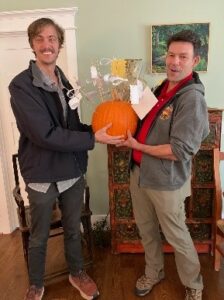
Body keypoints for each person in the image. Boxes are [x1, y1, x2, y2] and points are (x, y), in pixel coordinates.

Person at [9, 18, 124, 300]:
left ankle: (77, 272)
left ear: (59, 44)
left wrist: (96, 130)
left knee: (73, 229)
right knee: (39, 236)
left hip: (71, 171)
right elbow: (44, 134)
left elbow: (71, 125)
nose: (46, 44)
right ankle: (36, 283)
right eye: (40, 38)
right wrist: (93, 139)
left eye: (52, 39)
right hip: (41, 174)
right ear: (32, 44)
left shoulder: (64, 79)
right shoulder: (21, 86)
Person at [117, 30, 209, 300]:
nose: (175, 61)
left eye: (183, 56)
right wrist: (124, 97)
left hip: (166, 181)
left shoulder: (191, 99)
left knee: (177, 237)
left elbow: (178, 151)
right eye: (171, 54)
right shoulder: (162, 88)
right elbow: (143, 118)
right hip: (140, 175)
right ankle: (154, 271)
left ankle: (194, 285)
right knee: (147, 230)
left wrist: (138, 147)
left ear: (195, 61)